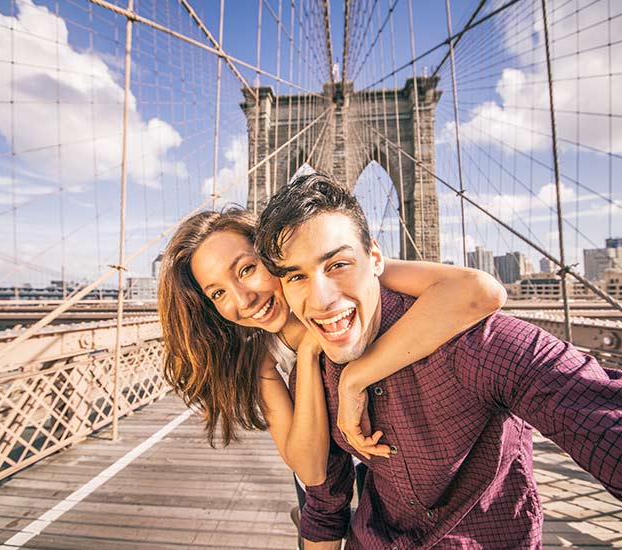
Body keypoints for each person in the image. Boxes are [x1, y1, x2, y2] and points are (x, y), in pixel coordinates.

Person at [253, 172, 622, 550]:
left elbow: (612, 418)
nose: (319, 300)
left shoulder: (474, 343)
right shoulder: (313, 367)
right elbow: (325, 497)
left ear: (376, 259)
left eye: (338, 264)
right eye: (295, 276)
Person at [156, 208, 506, 517]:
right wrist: (307, 354)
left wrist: (354, 378)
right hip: (326, 499)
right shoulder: (261, 358)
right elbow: (310, 470)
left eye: (247, 269)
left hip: (413, 476)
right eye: (218, 293)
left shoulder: (351, 276)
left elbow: (481, 291)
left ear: (274, 254)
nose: (243, 300)